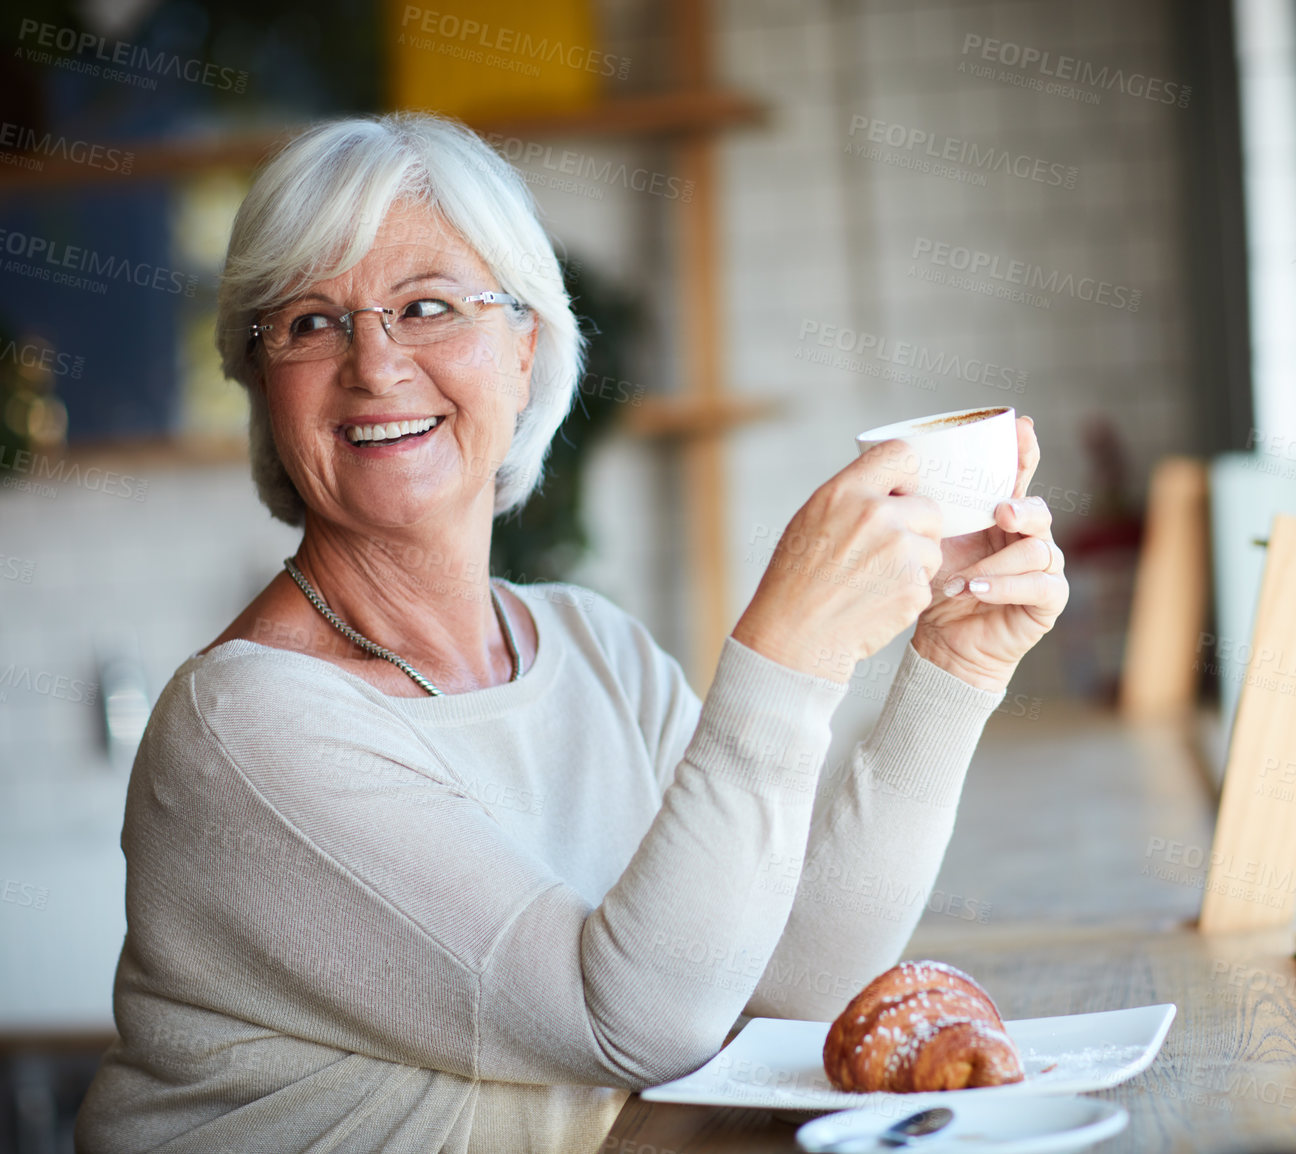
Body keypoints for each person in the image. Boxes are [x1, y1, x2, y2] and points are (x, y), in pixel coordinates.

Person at [74, 111, 1067, 1152]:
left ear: (524, 348)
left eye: (426, 306)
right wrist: (788, 653)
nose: (374, 363)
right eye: (312, 322)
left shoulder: (596, 651)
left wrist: (953, 669)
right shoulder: (246, 726)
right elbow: (630, 1022)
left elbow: (783, 997)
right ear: (261, 378)